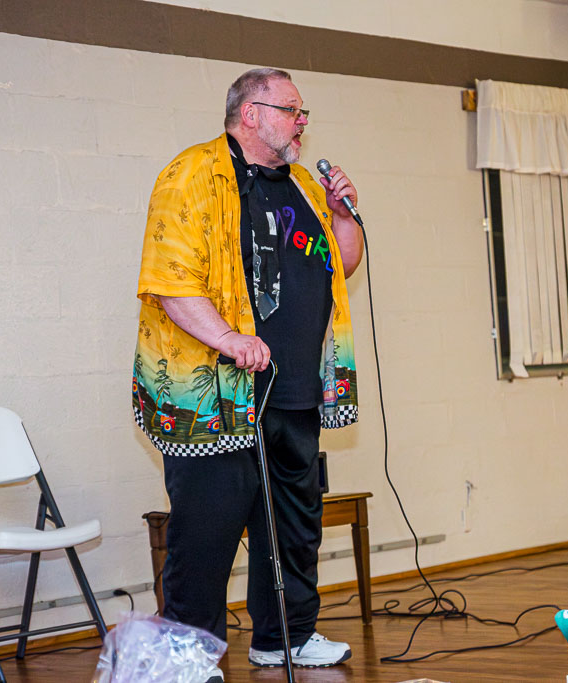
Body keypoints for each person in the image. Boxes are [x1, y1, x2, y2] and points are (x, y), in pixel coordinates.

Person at [132, 67, 363, 681]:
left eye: (304, 112)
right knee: (206, 529)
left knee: (293, 526)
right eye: (292, 110)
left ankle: (286, 638)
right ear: (251, 113)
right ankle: (187, 657)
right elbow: (169, 280)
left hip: (294, 389)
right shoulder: (192, 173)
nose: (302, 121)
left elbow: (339, 266)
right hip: (216, 393)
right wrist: (228, 338)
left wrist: (342, 216)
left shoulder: (305, 187)